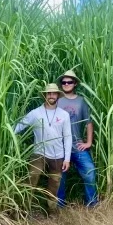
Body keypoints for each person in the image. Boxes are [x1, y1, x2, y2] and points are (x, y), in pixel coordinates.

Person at [14, 83, 72, 213]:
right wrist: (7, 133)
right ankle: (23, 210)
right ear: (45, 95)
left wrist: (67, 159)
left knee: (54, 184)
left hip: (58, 155)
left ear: (58, 95)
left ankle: (50, 211)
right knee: (31, 178)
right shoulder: (35, 113)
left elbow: (68, 137)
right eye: (49, 93)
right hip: (39, 153)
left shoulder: (64, 115)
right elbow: (19, 125)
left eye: (54, 93)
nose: (51, 96)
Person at [57, 70, 98, 207]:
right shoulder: (57, 101)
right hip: (61, 147)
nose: (66, 84)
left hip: (78, 146)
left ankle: (92, 204)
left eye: (69, 82)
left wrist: (89, 142)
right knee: (59, 178)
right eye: (64, 82)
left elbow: (89, 123)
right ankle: (59, 205)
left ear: (75, 84)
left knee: (90, 173)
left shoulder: (81, 101)